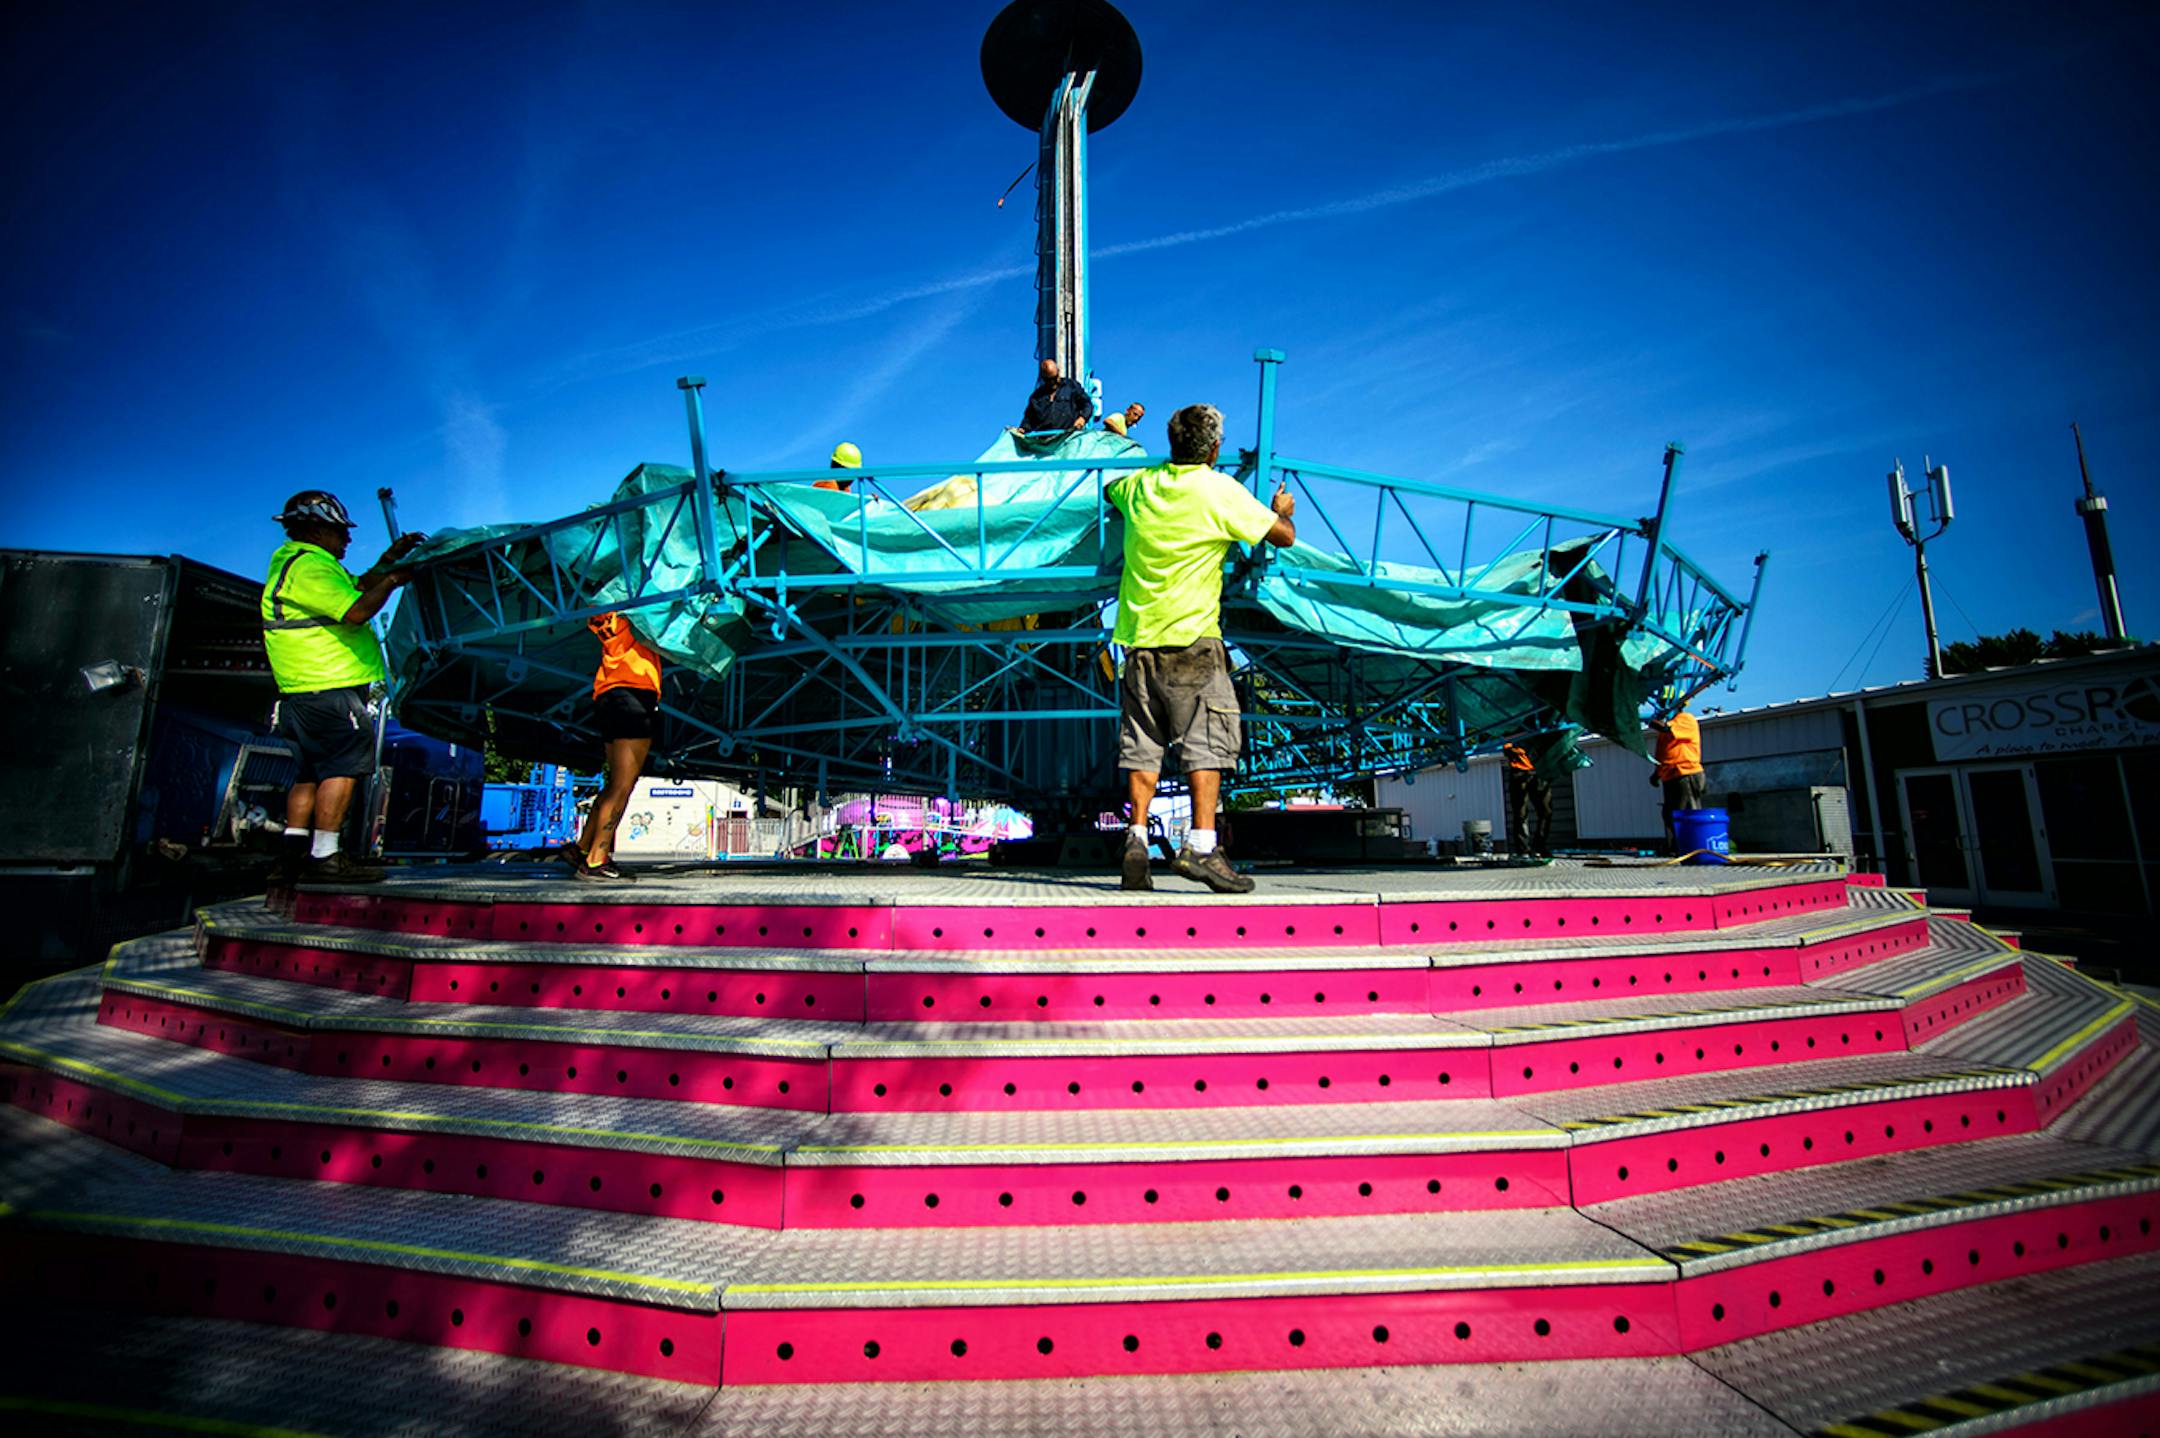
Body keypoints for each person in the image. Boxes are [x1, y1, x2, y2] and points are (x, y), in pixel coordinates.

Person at [1109, 403, 1296, 894]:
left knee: (1143, 748)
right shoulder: (1220, 491)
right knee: (1205, 744)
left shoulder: (1140, 486)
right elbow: (1284, 538)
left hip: (1137, 642)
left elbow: (1110, 489)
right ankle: (1202, 846)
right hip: (1192, 640)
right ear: (1214, 449)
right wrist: (1280, 512)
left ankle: (1134, 840)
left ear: (1171, 445)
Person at [260, 491, 419, 887]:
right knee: (344, 767)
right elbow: (357, 609)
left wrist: (387, 562)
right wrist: (396, 579)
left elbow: (356, 586)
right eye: (339, 532)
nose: (346, 540)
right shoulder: (310, 568)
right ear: (315, 528)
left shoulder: (302, 567)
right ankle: (326, 856)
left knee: (310, 772)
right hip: (328, 686)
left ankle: (293, 854)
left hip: (302, 692)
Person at [563, 611, 663, 881]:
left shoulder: (603, 615)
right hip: (635, 690)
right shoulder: (636, 608)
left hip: (607, 691)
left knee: (613, 782)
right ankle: (596, 860)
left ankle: (582, 847)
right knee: (623, 785)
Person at [1648, 702, 1706, 854]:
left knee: (1687, 811)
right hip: (1671, 775)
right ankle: (1678, 845)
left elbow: (1667, 729)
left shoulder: (1685, 719)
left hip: (1685, 772)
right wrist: (1656, 774)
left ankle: (1693, 846)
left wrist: (1649, 721)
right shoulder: (1668, 727)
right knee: (1670, 814)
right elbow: (1665, 754)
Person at [1503, 738, 1554, 860]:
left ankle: (1540, 846)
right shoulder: (1513, 732)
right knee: (1520, 814)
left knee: (1546, 811)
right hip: (1519, 773)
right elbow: (1507, 748)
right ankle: (1523, 849)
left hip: (1539, 771)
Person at [1018, 357, 1092, 434]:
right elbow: (1028, 419)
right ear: (1044, 379)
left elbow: (1087, 404)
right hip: (1044, 441)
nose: (1055, 381)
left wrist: (1082, 418)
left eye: (1056, 377)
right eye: (1051, 379)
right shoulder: (1036, 397)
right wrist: (1023, 429)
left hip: (1068, 438)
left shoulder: (1072, 387)